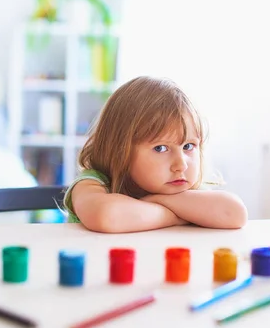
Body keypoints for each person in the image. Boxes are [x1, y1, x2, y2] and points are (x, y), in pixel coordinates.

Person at [62, 76, 248, 233]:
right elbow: (107, 216)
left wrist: (159, 200)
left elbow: (235, 213)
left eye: (188, 146)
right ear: (119, 150)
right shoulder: (92, 182)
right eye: (161, 148)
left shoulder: (183, 189)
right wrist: (174, 216)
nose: (181, 164)